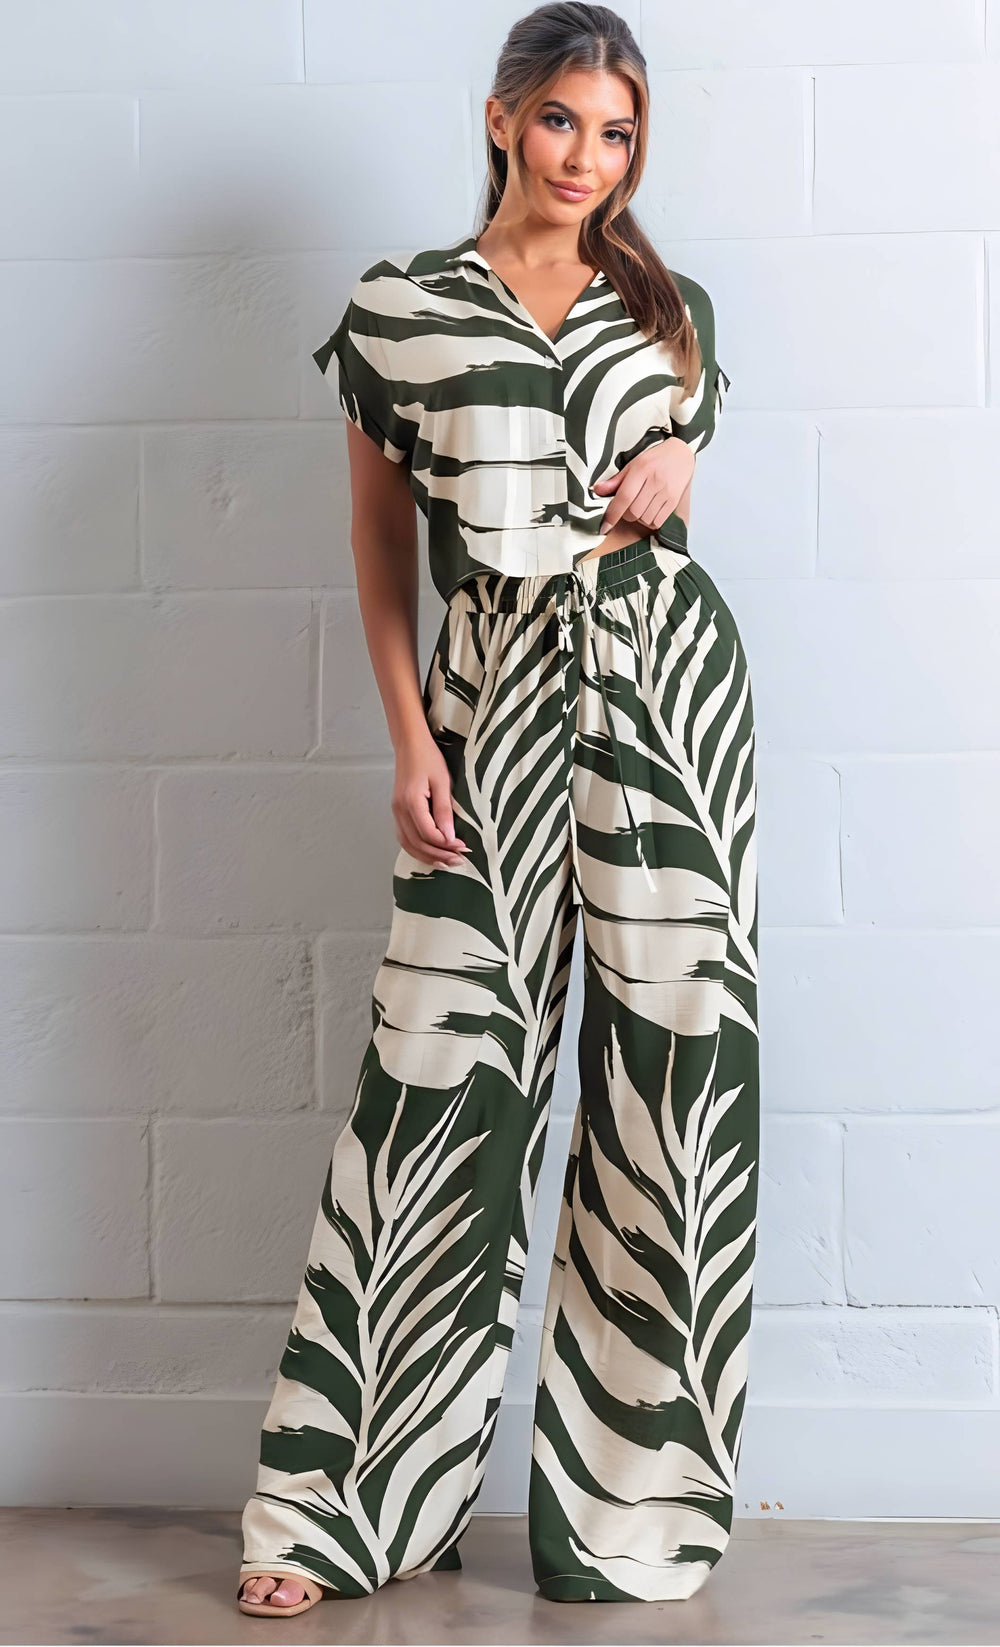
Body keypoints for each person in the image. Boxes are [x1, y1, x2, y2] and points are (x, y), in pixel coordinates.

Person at [237, 0, 758, 1615]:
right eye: (562, 124)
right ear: (499, 117)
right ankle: (342, 1515)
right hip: (491, 700)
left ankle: (635, 1515)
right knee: (443, 1074)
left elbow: (668, 472)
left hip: (670, 704)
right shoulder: (403, 309)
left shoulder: (670, 311)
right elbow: (381, 549)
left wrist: (681, 466)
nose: (588, 159)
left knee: (676, 1073)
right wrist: (411, 747)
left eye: (617, 135)